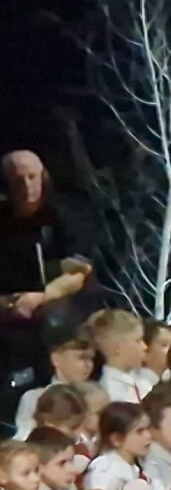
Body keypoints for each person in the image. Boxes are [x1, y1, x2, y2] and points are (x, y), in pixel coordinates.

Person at [1, 151, 97, 392]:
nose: (27, 186)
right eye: (18, 180)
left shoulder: (64, 213)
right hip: (9, 306)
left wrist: (39, 298)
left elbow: (78, 272)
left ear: (43, 176)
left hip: (55, 305)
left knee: (56, 317)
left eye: (32, 177)